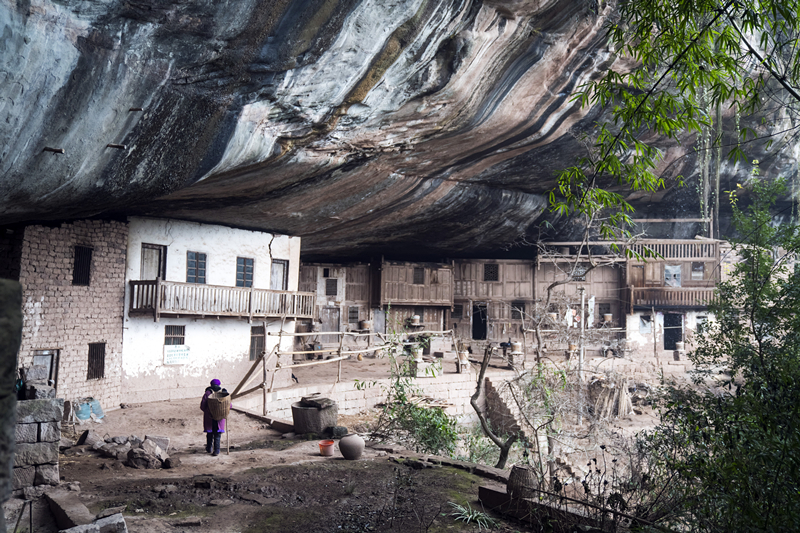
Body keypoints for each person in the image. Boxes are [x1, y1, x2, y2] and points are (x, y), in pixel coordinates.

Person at [200, 379, 227, 456]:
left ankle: (209, 448)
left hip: (209, 417)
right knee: (217, 435)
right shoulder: (223, 392)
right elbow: (229, 405)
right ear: (219, 384)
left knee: (210, 434)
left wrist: (207, 410)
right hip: (220, 418)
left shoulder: (208, 393)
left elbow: (202, 406)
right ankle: (216, 451)